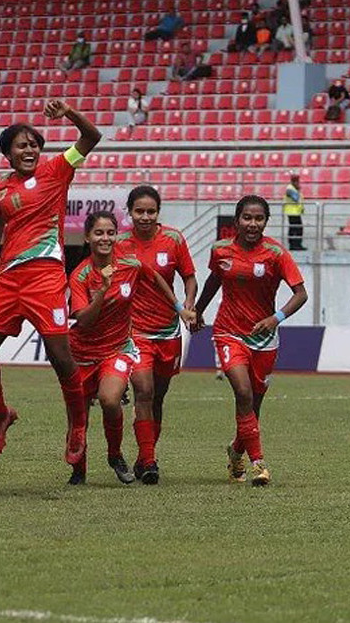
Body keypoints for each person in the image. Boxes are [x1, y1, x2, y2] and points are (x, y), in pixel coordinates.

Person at [0, 100, 101, 470]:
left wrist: (70, 113)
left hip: (45, 275)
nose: (29, 150)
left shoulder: (57, 169)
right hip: (9, 277)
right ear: (8, 154)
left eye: (34, 144)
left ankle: (77, 425)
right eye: (21, 146)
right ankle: (0, 414)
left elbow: (92, 136)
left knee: (61, 357)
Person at [66, 210, 193, 486]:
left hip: (117, 349)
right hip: (82, 353)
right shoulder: (80, 276)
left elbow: (157, 277)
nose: (105, 238)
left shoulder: (130, 265)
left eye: (110, 232)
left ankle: (115, 455)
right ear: (87, 237)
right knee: (78, 416)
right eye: (99, 233)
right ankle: (79, 470)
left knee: (111, 400)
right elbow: (84, 320)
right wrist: (102, 292)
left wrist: (179, 307)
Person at [192, 195, 308, 487]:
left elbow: (300, 293)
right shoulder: (220, 250)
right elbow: (214, 280)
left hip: (265, 338)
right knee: (243, 393)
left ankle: (235, 453)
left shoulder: (276, 253)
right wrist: (198, 312)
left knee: (253, 406)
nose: (252, 224)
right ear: (237, 221)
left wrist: (275, 317)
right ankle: (259, 464)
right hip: (229, 332)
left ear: (266, 222)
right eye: (247, 218)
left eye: (258, 219)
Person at [116, 186, 198, 484]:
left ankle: (144, 456)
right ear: (130, 212)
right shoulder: (119, 243)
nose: (146, 217)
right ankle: (150, 462)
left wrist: (189, 304)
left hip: (168, 331)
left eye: (151, 211)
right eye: (140, 211)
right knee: (144, 391)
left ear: (158, 213)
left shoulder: (173, 239)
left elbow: (189, 277)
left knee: (158, 397)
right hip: (135, 331)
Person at [283, 173, 305, 251]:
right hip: (292, 212)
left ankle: (297, 244)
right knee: (296, 229)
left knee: (296, 228)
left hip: (296, 212)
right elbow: (295, 198)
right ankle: (294, 245)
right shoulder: (290, 188)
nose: (298, 182)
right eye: (296, 181)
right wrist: (298, 190)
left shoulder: (293, 188)